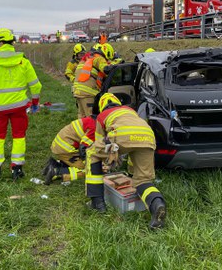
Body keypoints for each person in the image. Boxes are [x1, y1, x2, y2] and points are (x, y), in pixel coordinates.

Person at [85, 93, 166, 229]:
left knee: (92, 153)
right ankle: (157, 205)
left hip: (121, 136)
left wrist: (107, 164)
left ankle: (97, 202)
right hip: (147, 137)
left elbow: (100, 144)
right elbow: (131, 146)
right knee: (143, 180)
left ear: (102, 105)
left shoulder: (102, 115)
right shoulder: (130, 111)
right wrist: (130, 170)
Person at [0, 28, 42, 182]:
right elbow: (35, 85)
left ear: (0, 43)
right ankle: (17, 168)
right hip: (20, 107)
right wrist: (34, 102)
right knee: (19, 136)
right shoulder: (23, 61)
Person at [43, 115, 96, 185]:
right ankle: (56, 172)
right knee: (89, 168)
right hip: (66, 150)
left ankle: (54, 164)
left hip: (60, 145)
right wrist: (86, 161)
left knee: (78, 162)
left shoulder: (91, 119)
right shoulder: (95, 128)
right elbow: (83, 148)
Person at [73, 43, 114, 118]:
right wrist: (113, 65)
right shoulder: (99, 58)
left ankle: (80, 129)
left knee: (82, 117)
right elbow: (105, 69)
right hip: (88, 93)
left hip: (78, 92)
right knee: (91, 118)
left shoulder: (87, 58)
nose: (107, 60)